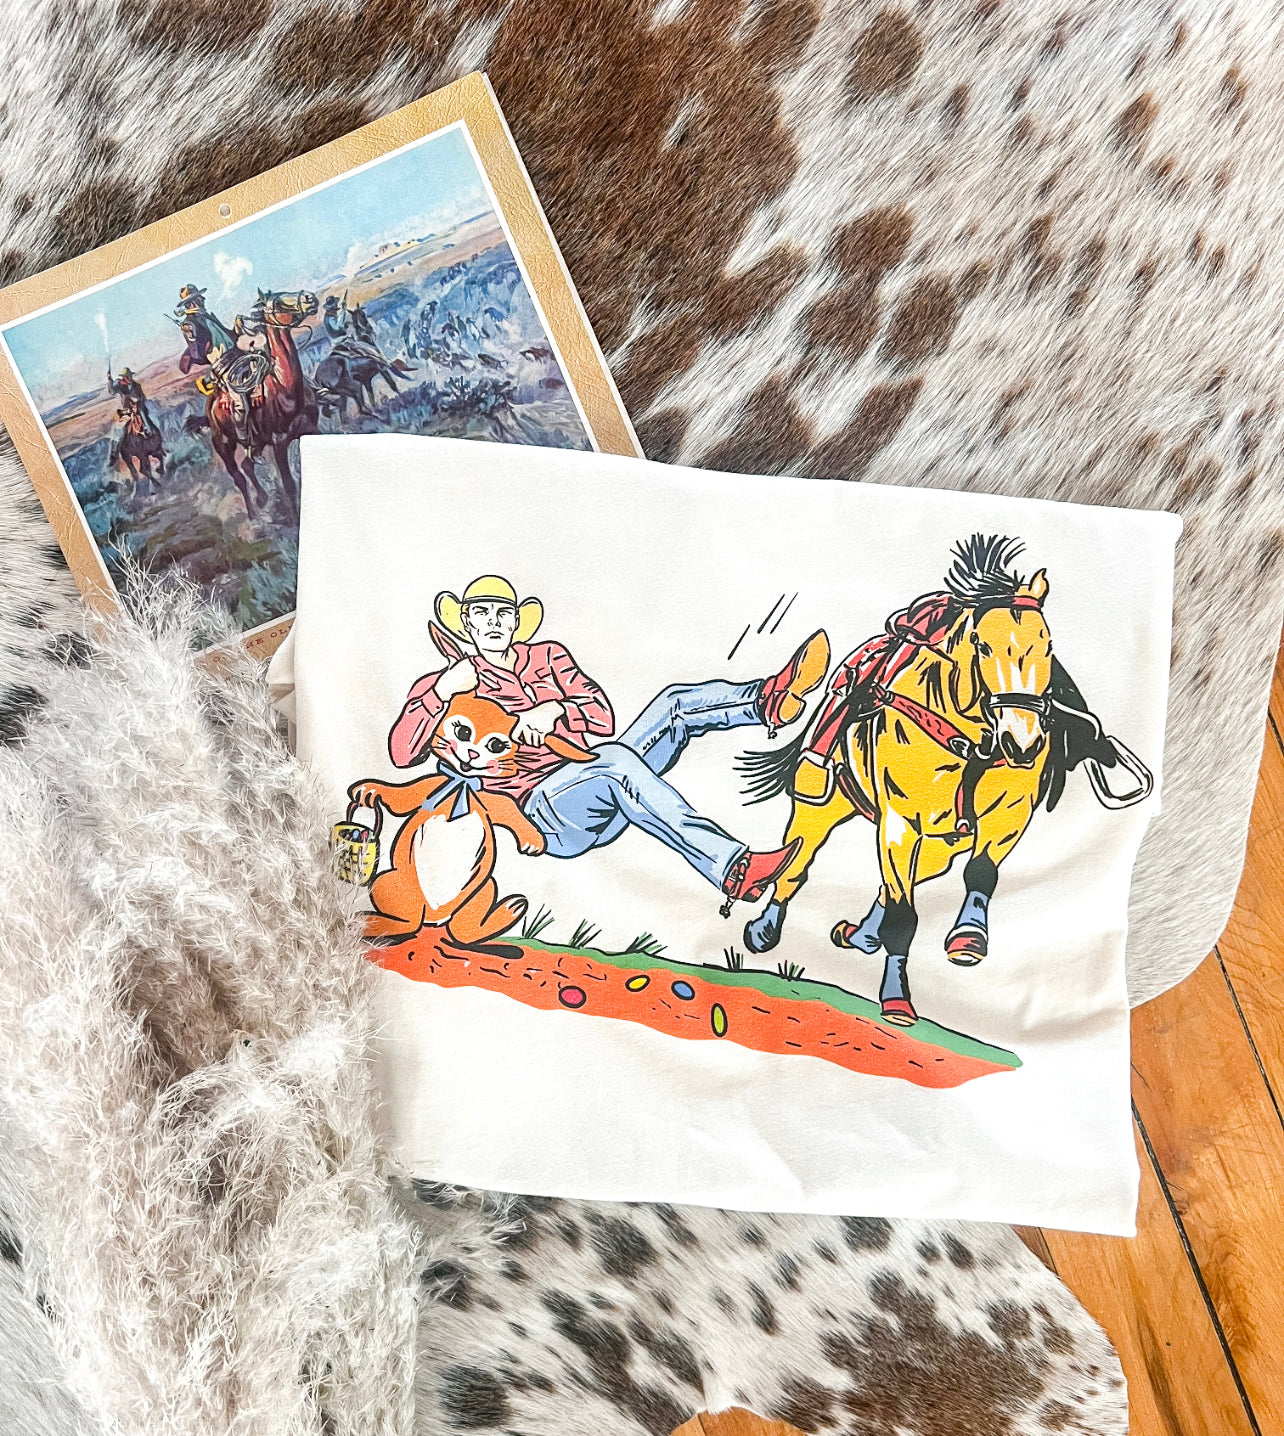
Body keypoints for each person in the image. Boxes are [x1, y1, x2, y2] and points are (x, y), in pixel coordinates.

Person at [387, 574, 831, 913]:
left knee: (673, 705)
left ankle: (766, 700)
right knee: (615, 763)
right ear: (466, 621)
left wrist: (556, 709)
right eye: (481, 613)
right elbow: (402, 754)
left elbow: (602, 717)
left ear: (517, 621)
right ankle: (734, 868)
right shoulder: (450, 682)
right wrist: (442, 690)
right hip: (542, 812)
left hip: (593, 775)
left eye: (502, 613)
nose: (492, 622)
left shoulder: (547, 656)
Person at [107, 366, 158, 435]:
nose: (130, 378)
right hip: (127, 408)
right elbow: (112, 391)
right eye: (128, 377)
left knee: (142, 412)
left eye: (130, 376)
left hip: (138, 406)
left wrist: (139, 400)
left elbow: (142, 396)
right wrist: (110, 380)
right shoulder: (119, 386)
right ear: (124, 377)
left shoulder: (137, 386)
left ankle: (148, 429)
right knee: (119, 419)